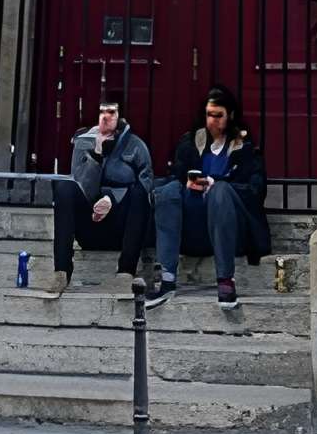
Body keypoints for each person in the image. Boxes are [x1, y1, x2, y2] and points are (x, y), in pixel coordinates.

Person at [146, 82, 268, 309]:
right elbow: (177, 174)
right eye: (209, 115)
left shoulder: (245, 147)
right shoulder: (190, 141)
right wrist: (188, 183)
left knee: (220, 190)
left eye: (219, 115)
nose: (213, 121)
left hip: (229, 229)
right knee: (168, 190)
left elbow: (255, 190)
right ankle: (167, 279)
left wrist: (215, 183)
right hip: (192, 225)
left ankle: (225, 281)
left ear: (230, 115)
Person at [48, 97, 155, 295]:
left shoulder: (136, 146)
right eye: (102, 112)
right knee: (65, 188)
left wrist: (111, 199)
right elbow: (83, 186)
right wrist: (96, 155)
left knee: (139, 193)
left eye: (111, 112)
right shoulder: (83, 143)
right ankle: (61, 271)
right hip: (92, 225)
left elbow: (147, 186)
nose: (106, 118)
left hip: (124, 229)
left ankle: (126, 272)